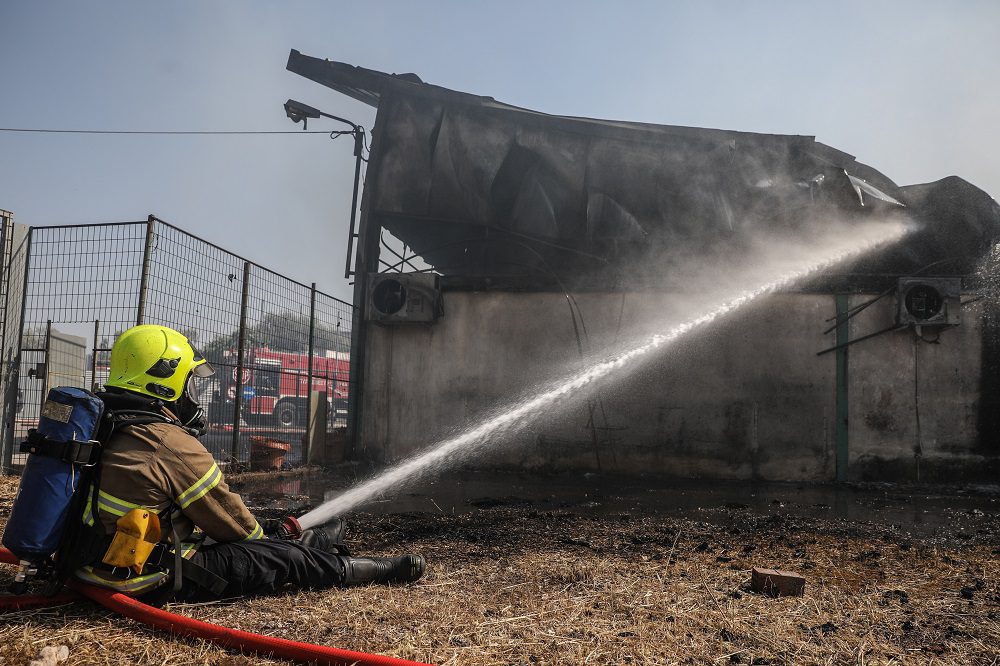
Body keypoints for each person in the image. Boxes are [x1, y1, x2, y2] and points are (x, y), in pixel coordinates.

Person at [68, 324, 424, 601]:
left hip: (87, 564)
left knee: (277, 537)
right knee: (286, 560)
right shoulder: (170, 443)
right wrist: (274, 540)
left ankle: (305, 542)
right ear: (164, 380)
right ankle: (369, 569)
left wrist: (275, 530)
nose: (192, 394)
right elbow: (235, 529)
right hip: (148, 578)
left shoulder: (101, 425)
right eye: (188, 382)